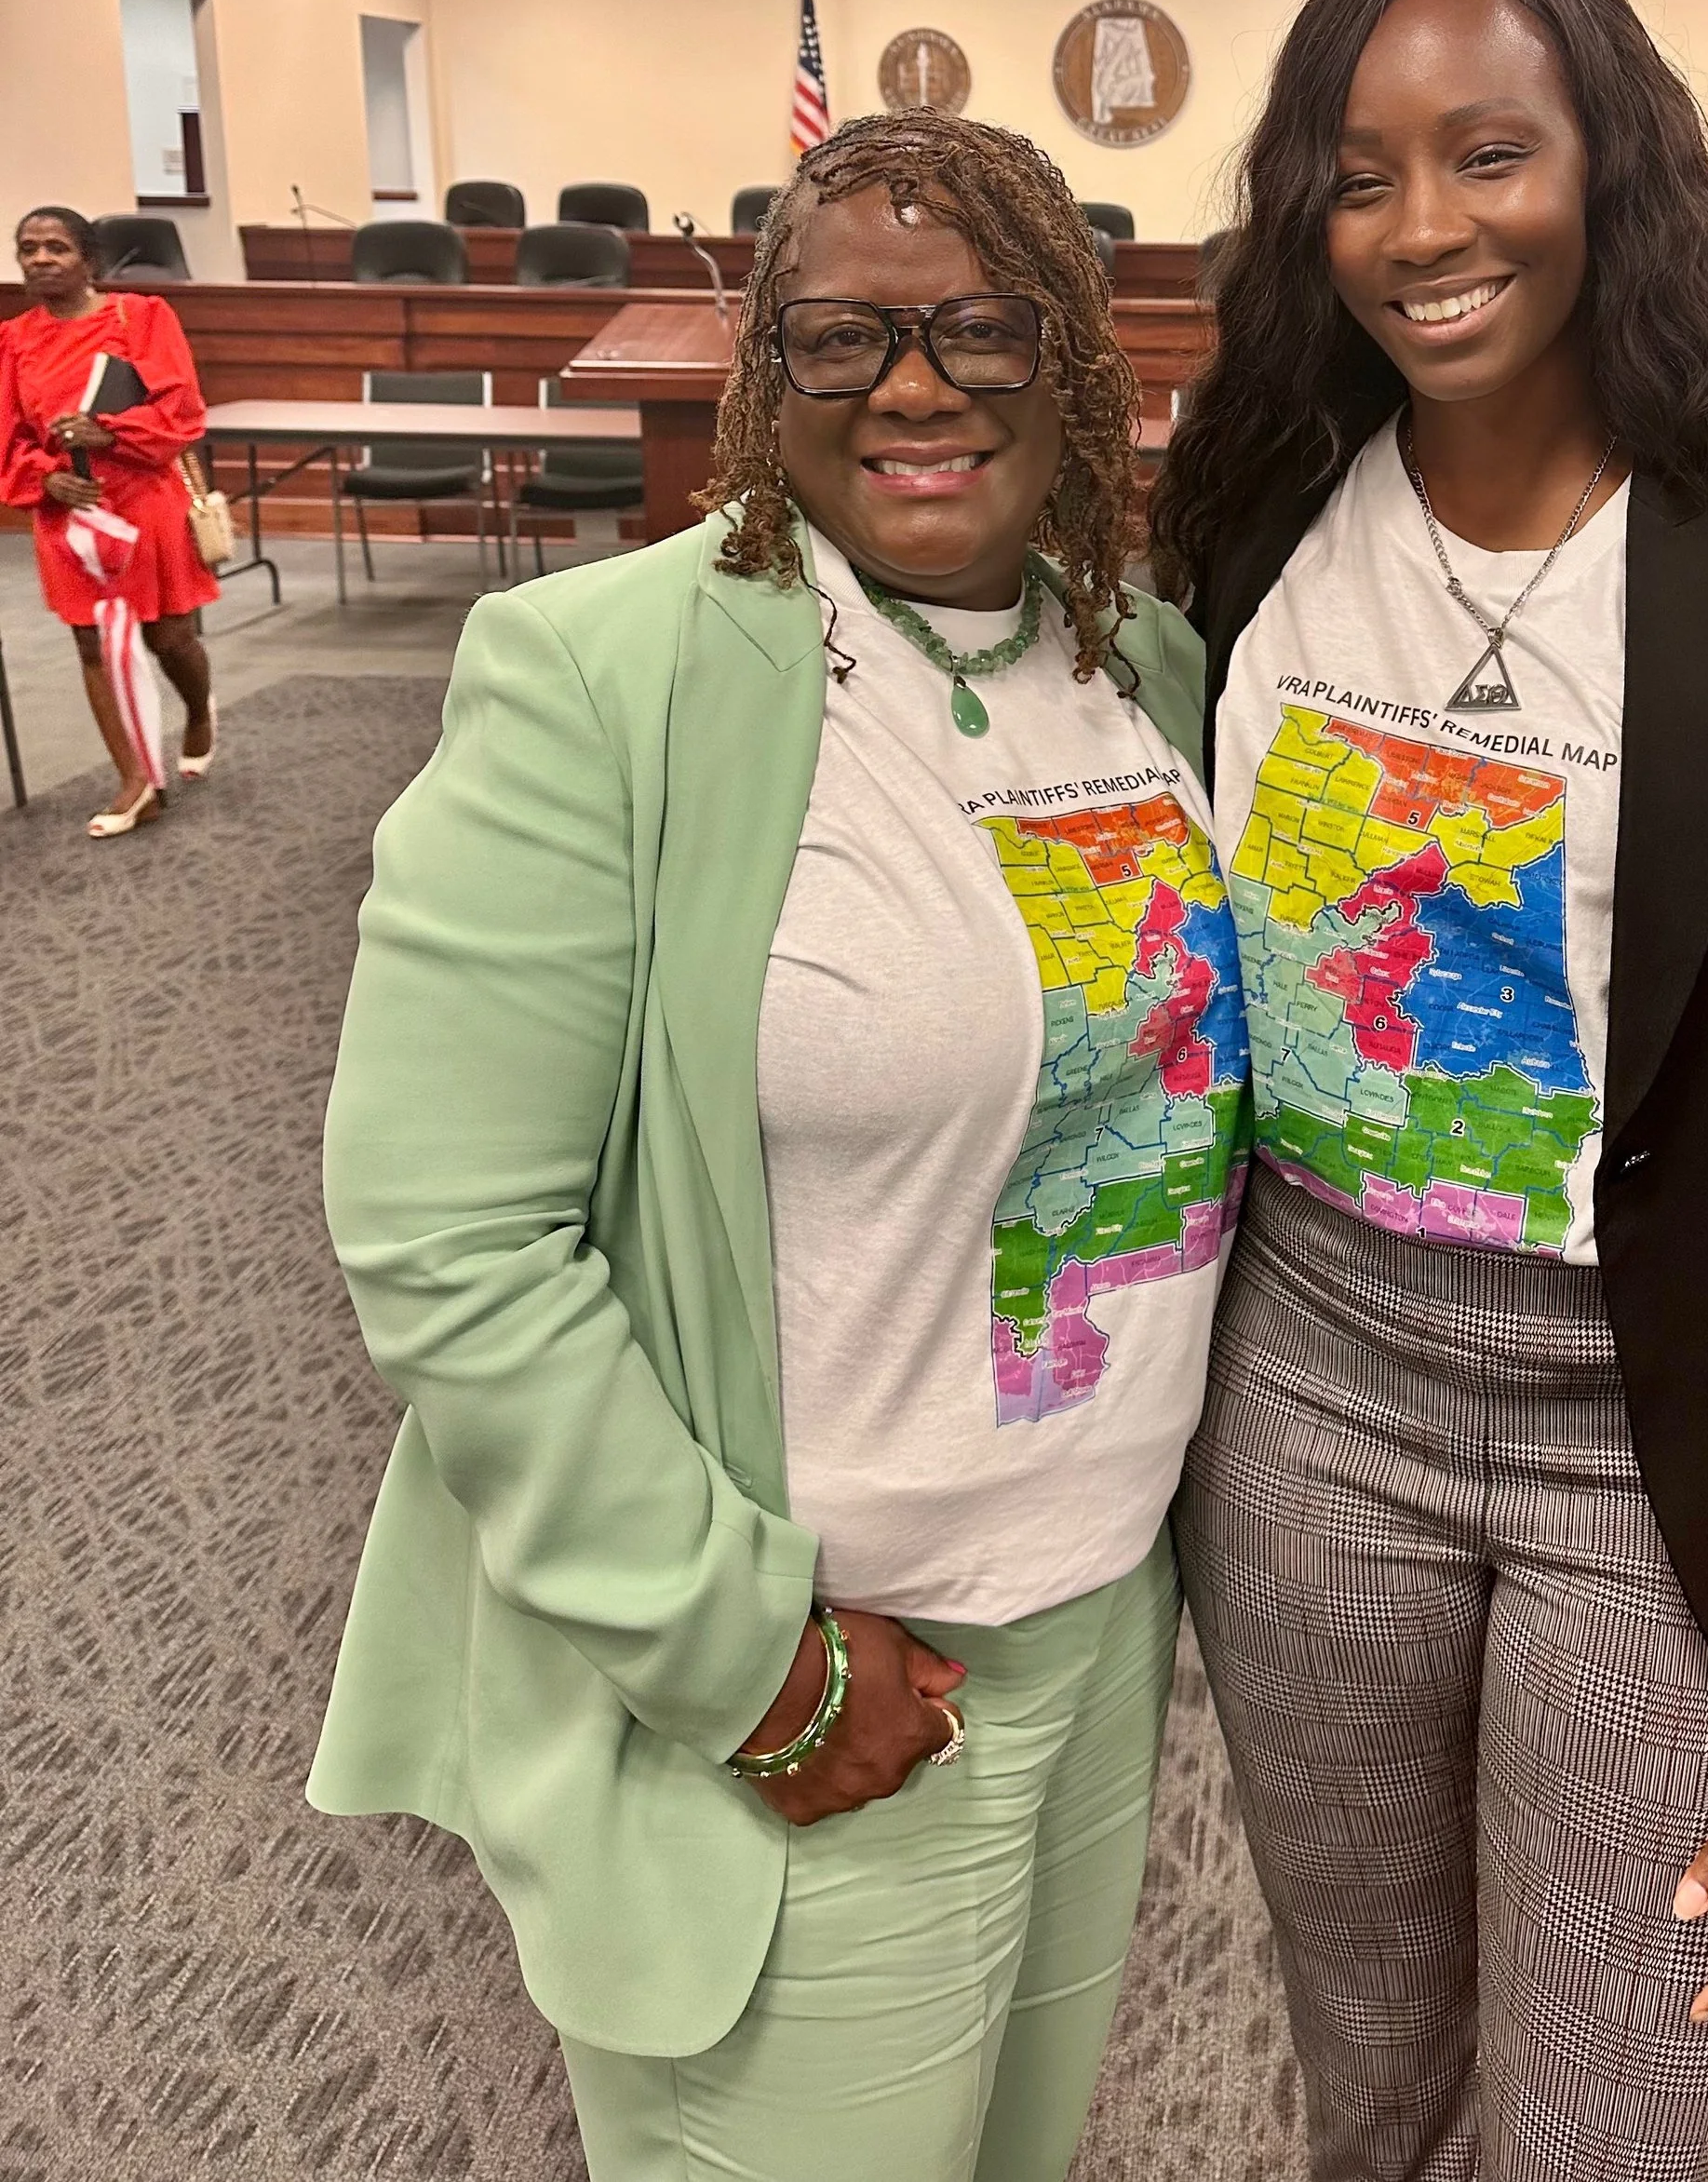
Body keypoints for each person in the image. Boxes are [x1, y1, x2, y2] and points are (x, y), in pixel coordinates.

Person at [1148, 0, 1708, 2182]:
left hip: (1658, 1445)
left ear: (1610, 168)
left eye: (1486, 153)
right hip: (1315, 1395)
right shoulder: (1257, 515)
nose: (1423, 228)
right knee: (1380, 2079)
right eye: (1359, 175)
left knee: (1621, 2119)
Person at [310, 113, 1249, 2182]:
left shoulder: (1142, 661)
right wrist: (749, 1661)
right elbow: (446, 1237)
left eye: (979, 330)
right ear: (767, 377)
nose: (911, 387)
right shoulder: (603, 675)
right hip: (808, 1674)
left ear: (1071, 366)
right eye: (839, 339)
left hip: (1091, 1624)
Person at [0, 204, 218, 836]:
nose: (41, 258)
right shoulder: (13, 339)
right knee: (91, 643)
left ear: (87, 259)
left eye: (56, 247)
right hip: (69, 509)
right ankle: (135, 780)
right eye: (28, 247)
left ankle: (199, 710)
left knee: (167, 637)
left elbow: (182, 411)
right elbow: (9, 436)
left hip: (143, 498)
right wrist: (44, 477)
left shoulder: (142, 316)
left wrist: (108, 432)